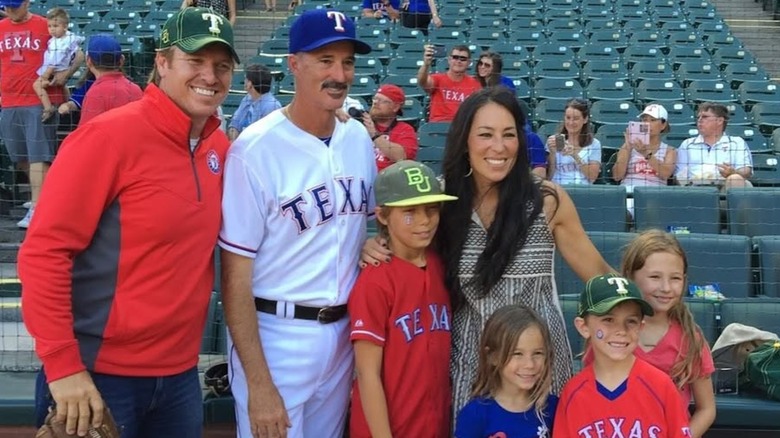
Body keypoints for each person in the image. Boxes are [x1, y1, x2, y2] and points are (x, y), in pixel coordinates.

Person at [19, 7, 239, 437]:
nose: (210, 76)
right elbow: (44, 252)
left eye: (222, 66)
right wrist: (62, 366)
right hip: (96, 375)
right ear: (161, 62)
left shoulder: (218, 145)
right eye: (195, 61)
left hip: (178, 379)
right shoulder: (107, 137)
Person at [362, 87, 613, 414]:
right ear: (465, 140)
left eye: (509, 135)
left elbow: (601, 279)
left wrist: (664, 316)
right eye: (485, 134)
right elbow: (403, 251)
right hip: (471, 371)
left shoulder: (546, 200)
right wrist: (372, 244)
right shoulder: (439, 201)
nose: (499, 146)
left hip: (538, 372)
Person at [218, 9, 376, 438]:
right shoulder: (254, 150)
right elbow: (235, 277)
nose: (339, 74)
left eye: (347, 62)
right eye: (325, 60)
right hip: (275, 334)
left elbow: (365, 223)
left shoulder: (357, 138)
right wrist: (258, 383)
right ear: (294, 63)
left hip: (342, 335)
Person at [349, 160, 456, 438]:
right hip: (389, 428)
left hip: (434, 424)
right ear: (382, 216)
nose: (424, 221)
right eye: (410, 212)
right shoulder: (375, 282)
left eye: (432, 210)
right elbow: (367, 373)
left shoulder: (441, 265)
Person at [553, 274, 692, 438]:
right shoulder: (573, 393)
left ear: (641, 327)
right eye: (608, 319)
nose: (621, 330)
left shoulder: (661, 386)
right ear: (584, 327)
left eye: (631, 321)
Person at [619, 230, 716, 437]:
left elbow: (706, 408)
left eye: (675, 278)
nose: (665, 288)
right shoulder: (611, 337)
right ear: (630, 276)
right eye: (655, 277)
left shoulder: (691, 339)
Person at [0, 0, 83, 229]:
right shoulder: (1, 27)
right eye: (5, 6)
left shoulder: (46, 25)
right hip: (9, 100)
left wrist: (66, 74)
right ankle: (46, 197)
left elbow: (79, 54)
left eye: (14, 5)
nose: (9, 10)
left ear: (27, 3)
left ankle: (38, 208)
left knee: (39, 155)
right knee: (20, 157)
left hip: (41, 99)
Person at [455, 305, 558, 438]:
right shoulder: (475, 415)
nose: (530, 364)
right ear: (492, 356)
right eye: (517, 354)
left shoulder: (553, 408)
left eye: (538, 353)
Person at [675, 102, 753, 188]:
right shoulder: (687, 144)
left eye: (705, 117)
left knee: (736, 178)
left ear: (720, 121)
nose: (699, 120)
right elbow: (679, 174)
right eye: (698, 117)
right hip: (695, 188)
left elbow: (746, 171)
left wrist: (732, 172)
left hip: (725, 185)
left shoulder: (736, 142)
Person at [32, 7, 85, 122]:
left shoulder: (61, 43)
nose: (52, 30)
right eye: (49, 26)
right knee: (62, 85)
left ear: (65, 26)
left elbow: (55, 60)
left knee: (37, 85)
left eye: (55, 26)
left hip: (56, 68)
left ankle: (48, 107)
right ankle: (67, 101)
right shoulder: (69, 37)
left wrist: (47, 73)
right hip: (61, 67)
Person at [79, 34, 143, 127]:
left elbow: (86, 136)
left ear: (88, 60)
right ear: (121, 60)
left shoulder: (96, 93)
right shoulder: (135, 89)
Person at [355, 83, 419, 170]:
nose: (376, 103)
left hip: (388, 181)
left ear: (395, 107)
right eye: (375, 99)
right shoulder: (359, 126)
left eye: (382, 101)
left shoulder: (404, 130)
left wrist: (374, 135)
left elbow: (401, 157)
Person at [613, 103, 677, 188]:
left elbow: (665, 174)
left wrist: (646, 153)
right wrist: (627, 147)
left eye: (653, 120)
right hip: (629, 192)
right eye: (644, 119)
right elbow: (617, 176)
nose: (647, 123)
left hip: (655, 194)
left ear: (663, 125)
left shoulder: (670, 151)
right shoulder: (629, 146)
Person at [418, 44, 481, 122]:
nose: (458, 61)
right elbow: (422, 82)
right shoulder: (438, 79)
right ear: (449, 60)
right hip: (438, 127)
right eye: (455, 57)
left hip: (462, 126)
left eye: (463, 59)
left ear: (469, 62)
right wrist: (426, 64)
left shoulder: (475, 84)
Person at [545, 97, 602, 185]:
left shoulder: (594, 144)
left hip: (583, 191)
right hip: (558, 189)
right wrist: (552, 154)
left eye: (575, 118)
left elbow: (593, 177)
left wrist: (575, 155)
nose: (571, 122)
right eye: (568, 118)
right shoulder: (554, 140)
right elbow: (548, 177)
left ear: (585, 119)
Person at [227, 64, 281, 142]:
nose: (244, 81)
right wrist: (234, 141)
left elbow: (267, 138)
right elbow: (234, 124)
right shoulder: (247, 98)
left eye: (246, 79)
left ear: (250, 84)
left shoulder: (272, 106)